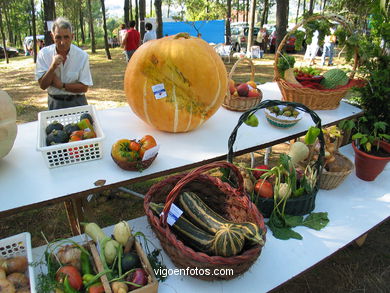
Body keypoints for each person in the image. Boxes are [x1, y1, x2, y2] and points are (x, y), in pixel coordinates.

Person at [35, 17, 93, 110]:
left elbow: (84, 87)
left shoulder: (82, 56)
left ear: (72, 36)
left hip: (78, 102)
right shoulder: (44, 54)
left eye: (66, 37)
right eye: (58, 37)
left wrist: (62, 85)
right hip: (55, 103)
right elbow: (43, 85)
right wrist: (52, 67)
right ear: (52, 36)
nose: (62, 42)